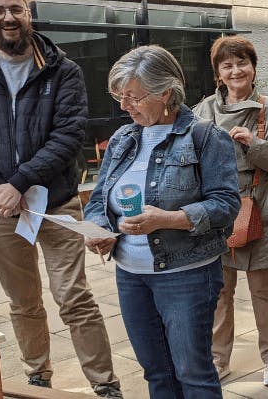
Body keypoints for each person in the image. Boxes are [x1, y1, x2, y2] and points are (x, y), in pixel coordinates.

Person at [0, 0, 121, 397]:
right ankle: (37, 374)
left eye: (16, 9)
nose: (8, 17)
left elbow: (68, 134)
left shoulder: (64, 70)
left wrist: (20, 182)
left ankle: (104, 383)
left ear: (29, 12)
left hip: (56, 203)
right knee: (23, 302)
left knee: (74, 298)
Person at [83, 45, 240, 398]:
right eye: (120, 97)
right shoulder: (124, 138)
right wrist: (100, 231)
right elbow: (97, 201)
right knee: (155, 372)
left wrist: (167, 219)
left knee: (193, 372)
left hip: (187, 274)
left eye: (134, 97)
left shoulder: (206, 137)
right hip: (131, 274)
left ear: (165, 92)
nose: (124, 106)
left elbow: (227, 205)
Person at [193, 35, 268, 387]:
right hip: (219, 211)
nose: (235, 70)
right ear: (218, 73)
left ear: (253, 68)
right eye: (227, 65)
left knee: (265, 290)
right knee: (219, 291)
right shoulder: (203, 112)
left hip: (263, 208)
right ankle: (217, 359)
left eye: (242, 63)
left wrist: (256, 144)